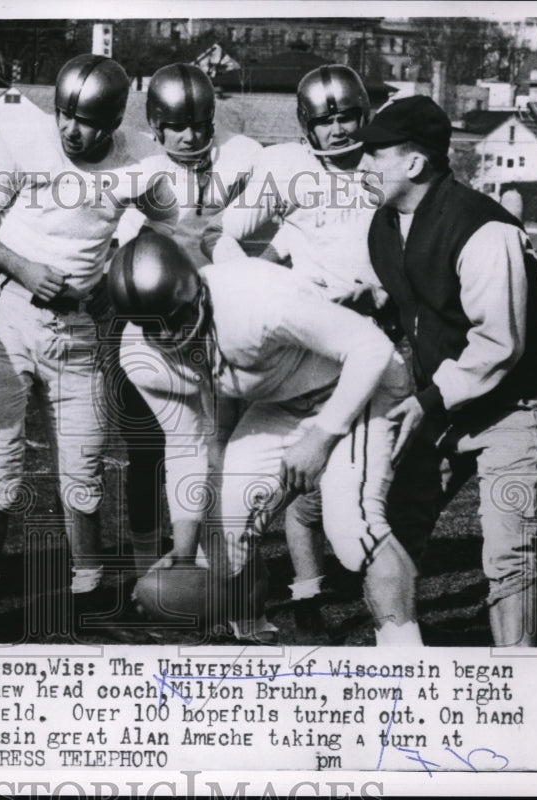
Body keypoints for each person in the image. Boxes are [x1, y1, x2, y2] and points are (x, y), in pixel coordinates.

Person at [0, 53, 177, 640]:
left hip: (81, 326)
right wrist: (22, 267)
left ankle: (88, 579)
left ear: (115, 118)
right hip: (7, 312)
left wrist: (119, 277)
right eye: (65, 114)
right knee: (1, 452)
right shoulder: (25, 138)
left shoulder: (140, 161)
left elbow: (172, 228)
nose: (72, 129)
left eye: (87, 119)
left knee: (84, 458)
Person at [110, 233, 422, 645]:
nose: (169, 335)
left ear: (197, 292)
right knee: (222, 539)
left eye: (176, 317)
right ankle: (249, 627)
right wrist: (185, 552)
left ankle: (407, 656)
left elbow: (370, 348)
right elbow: (185, 444)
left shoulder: (251, 300)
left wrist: (321, 439)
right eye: (154, 326)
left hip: (360, 383)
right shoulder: (141, 357)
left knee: (351, 527)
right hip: (283, 401)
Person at [351, 95, 537, 647]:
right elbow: (407, 301)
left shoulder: (485, 229)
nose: (363, 165)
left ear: (415, 163)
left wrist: (426, 402)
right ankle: (400, 658)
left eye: (375, 154)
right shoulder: (386, 223)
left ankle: (517, 678)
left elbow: (499, 345)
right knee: (389, 527)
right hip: (437, 404)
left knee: (506, 547)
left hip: (507, 407)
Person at [205, 65, 394, 632]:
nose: (338, 130)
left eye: (347, 117)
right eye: (325, 120)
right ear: (305, 126)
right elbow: (220, 233)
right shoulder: (286, 166)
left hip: (371, 362)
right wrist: (257, 284)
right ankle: (246, 630)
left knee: (355, 524)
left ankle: (399, 632)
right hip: (298, 362)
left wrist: (386, 293)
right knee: (230, 508)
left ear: (366, 114)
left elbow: (429, 254)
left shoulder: (391, 164)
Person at [112, 63, 262, 575]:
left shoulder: (242, 156)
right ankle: (141, 559)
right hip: (153, 326)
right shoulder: (143, 171)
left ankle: (206, 554)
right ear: (157, 124)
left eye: (200, 124)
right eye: (178, 126)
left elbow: (274, 200)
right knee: (148, 451)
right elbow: (117, 241)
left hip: (218, 324)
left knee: (217, 444)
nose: (191, 136)